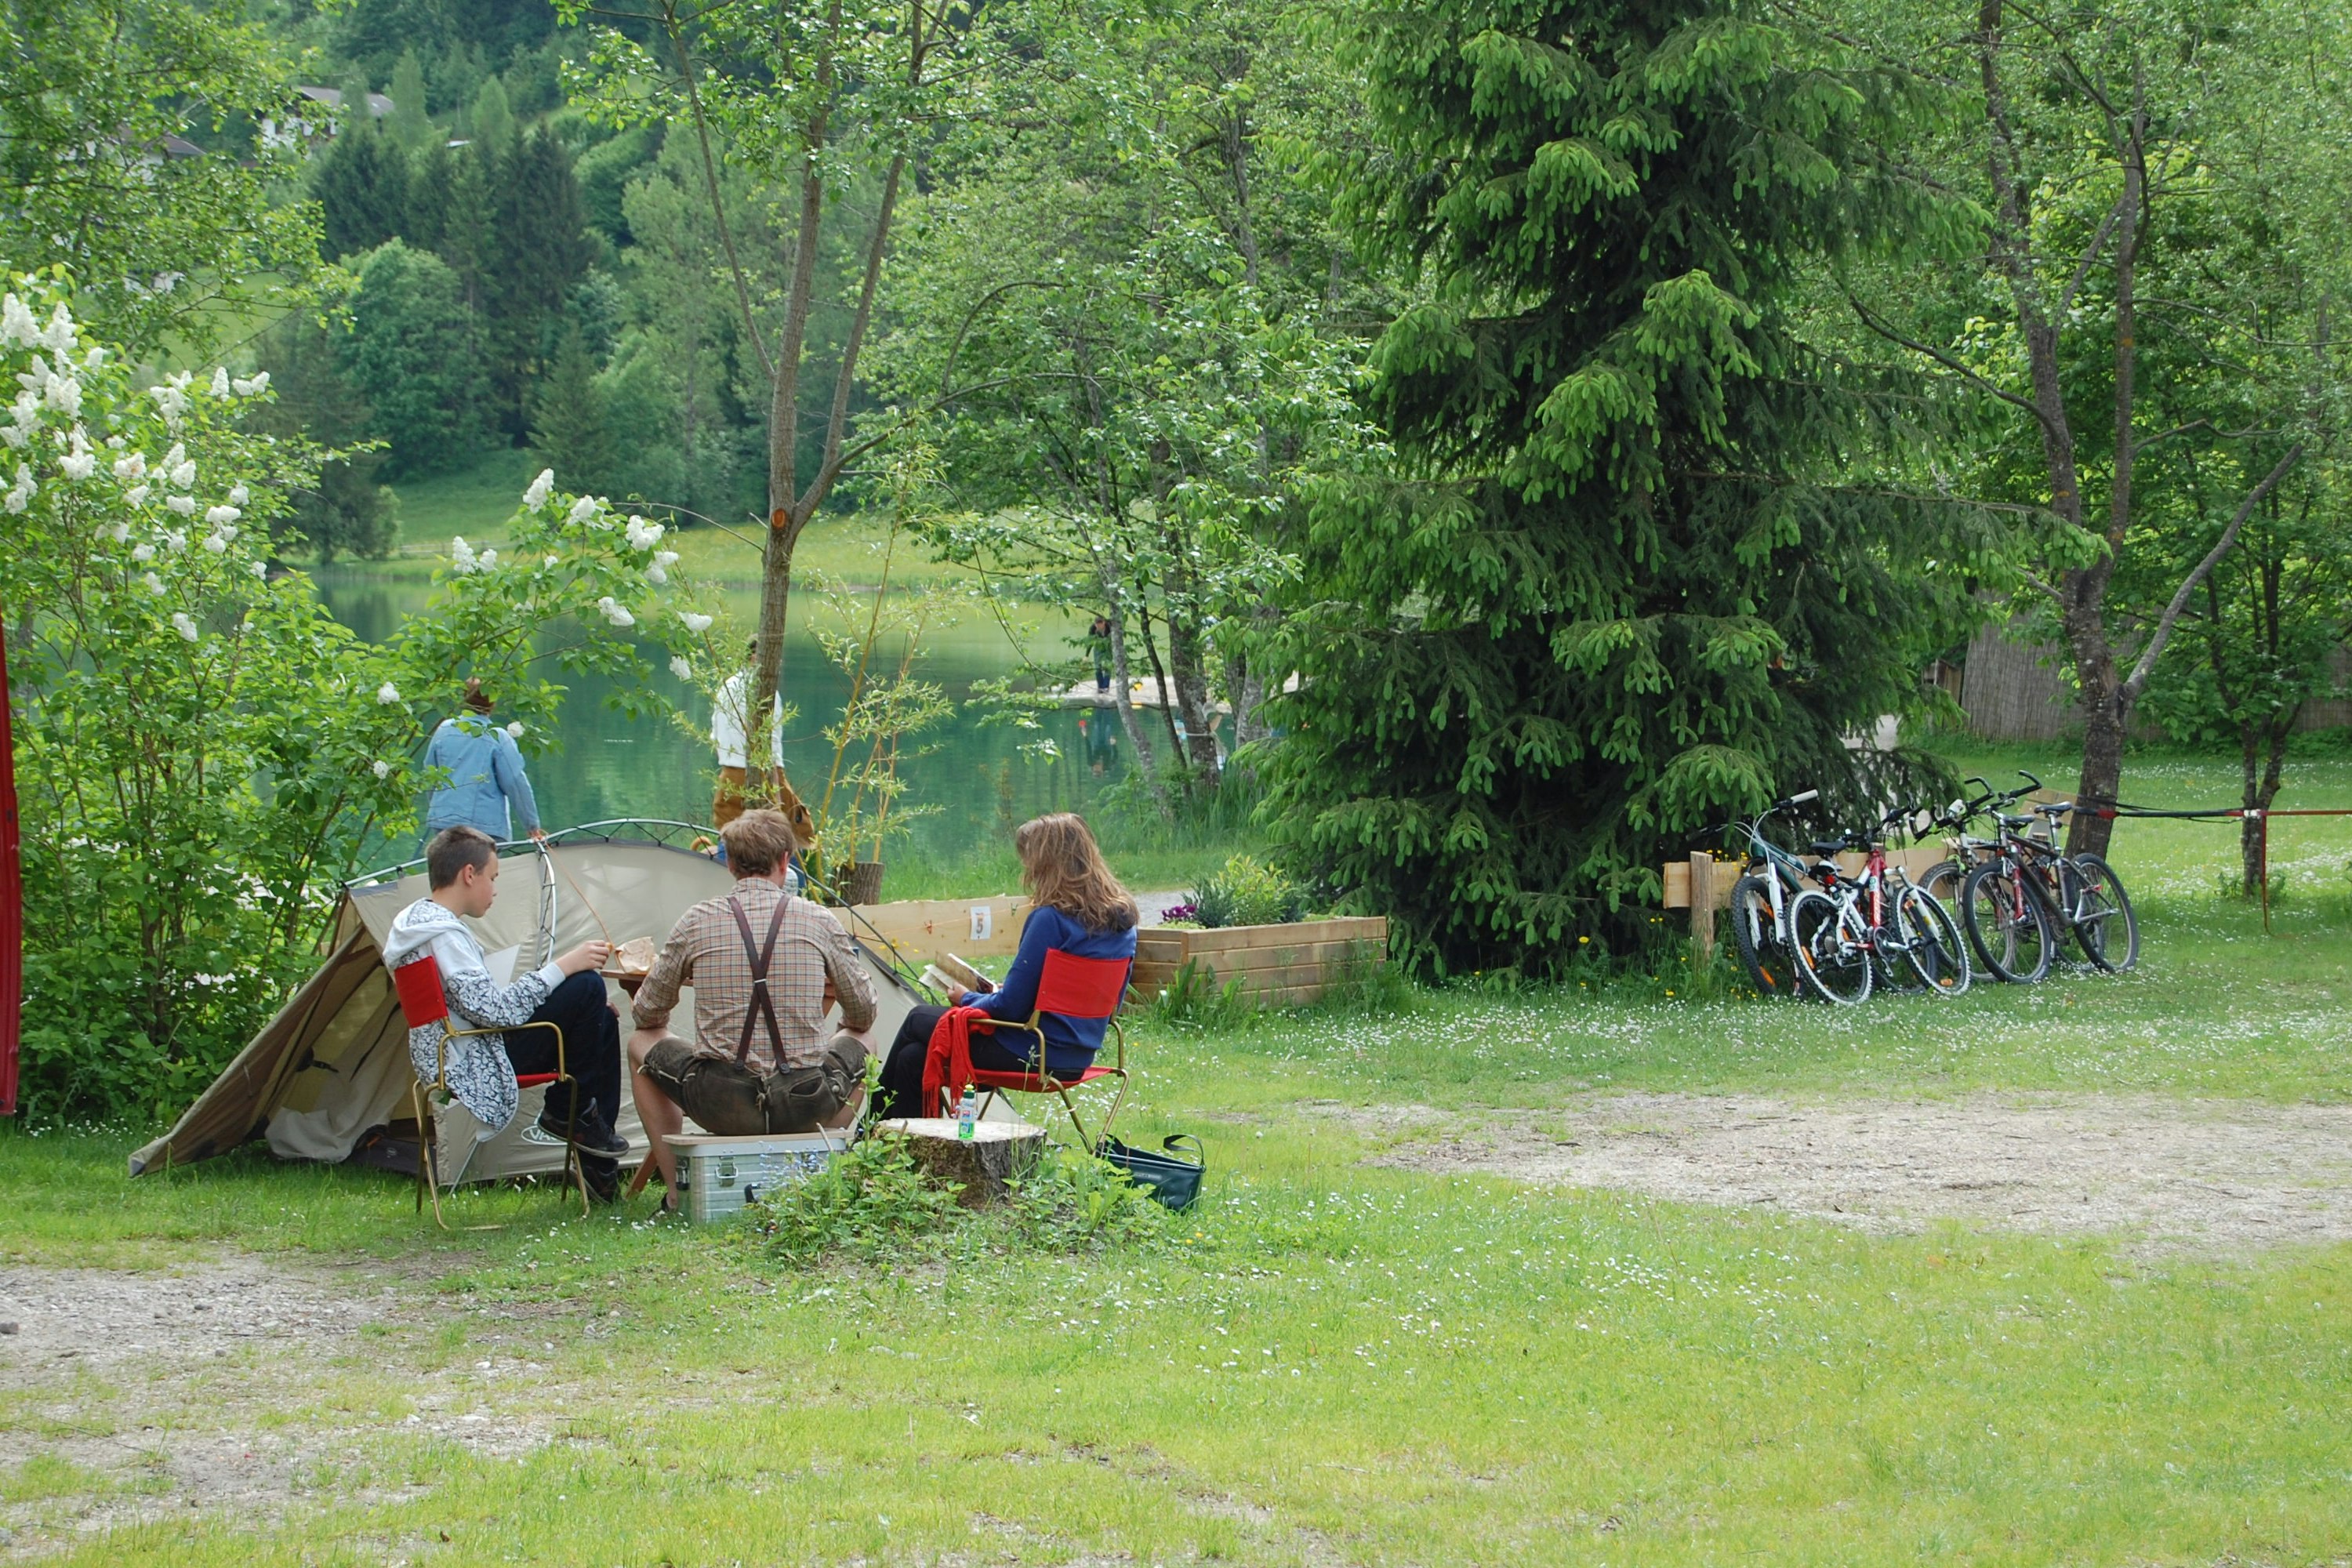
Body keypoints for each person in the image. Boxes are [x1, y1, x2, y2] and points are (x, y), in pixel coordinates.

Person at [626, 808, 878, 1208]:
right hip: (805, 1101)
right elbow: (863, 1014)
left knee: (641, 1041)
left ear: (729, 863)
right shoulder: (819, 920)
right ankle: (817, 1169)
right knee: (866, 1040)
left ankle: (678, 1192)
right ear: (785, 861)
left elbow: (647, 1015)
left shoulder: (697, 920)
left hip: (721, 1104)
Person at [383, 826, 630, 1202]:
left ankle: (593, 1159)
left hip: (456, 1052)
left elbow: (479, 1007)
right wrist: (565, 965)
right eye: (493, 878)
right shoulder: (444, 936)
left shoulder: (417, 926)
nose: (495, 889)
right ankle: (568, 1118)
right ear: (469, 874)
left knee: (600, 1016)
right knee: (588, 985)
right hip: (476, 1061)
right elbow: (495, 1012)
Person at [875, 813, 1138, 1120]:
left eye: (1029, 860)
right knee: (913, 1057)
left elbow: (1010, 1009)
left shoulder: (1050, 919)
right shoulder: (1124, 924)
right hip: (1078, 1055)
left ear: (1046, 863)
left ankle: (868, 1136)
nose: (1026, 868)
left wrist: (966, 997)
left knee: (918, 1018)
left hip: (1030, 1054)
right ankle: (905, 1149)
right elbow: (1108, 1004)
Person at [422, 679, 543, 847]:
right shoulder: (497, 737)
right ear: (492, 703)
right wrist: (532, 826)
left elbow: (430, 775)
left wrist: (438, 808)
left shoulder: (444, 729)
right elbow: (516, 783)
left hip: (443, 823)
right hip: (485, 828)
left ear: (464, 698)